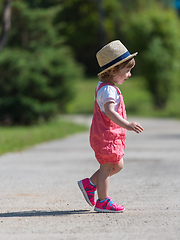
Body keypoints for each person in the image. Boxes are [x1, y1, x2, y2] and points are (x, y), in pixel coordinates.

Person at [78, 40, 144, 213]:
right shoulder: (108, 90)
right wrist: (127, 124)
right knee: (107, 167)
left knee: (117, 165)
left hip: (110, 135)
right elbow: (109, 111)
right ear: (113, 71)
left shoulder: (107, 87)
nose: (129, 75)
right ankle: (103, 201)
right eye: (127, 70)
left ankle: (90, 184)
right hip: (107, 135)